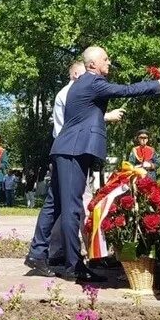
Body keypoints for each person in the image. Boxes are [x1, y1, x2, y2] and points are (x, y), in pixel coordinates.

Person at [25, 46, 160, 282]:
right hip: (74, 151)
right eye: (105, 59)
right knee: (71, 207)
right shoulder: (93, 82)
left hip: (66, 150)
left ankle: (37, 254)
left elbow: (86, 116)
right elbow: (127, 90)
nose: (109, 61)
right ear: (92, 64)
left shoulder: (82, 84)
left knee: (54, 204)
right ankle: (73, 266)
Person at [46, 60, 125, 268]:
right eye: (82, 74)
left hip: (76, 151)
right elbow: (74, 124)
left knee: (69, 206)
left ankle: (73, 253)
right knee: (71, 206)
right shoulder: (68, 93)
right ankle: (68, 255)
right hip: (70, 152)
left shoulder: (77, 91)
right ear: (74, 74)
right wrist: (106, 117)